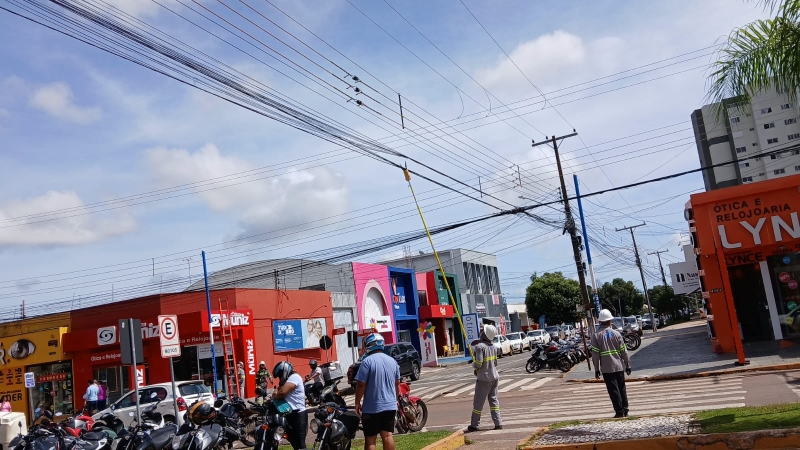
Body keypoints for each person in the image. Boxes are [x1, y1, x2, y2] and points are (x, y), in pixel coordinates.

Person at [354, 333, 399, 450]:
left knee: (370, 438)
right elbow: (397, 383)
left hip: (371, 407)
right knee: (388, 435)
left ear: (368, 345)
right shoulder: (392, 361)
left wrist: (357, 402)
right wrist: (395, 399)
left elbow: (361, 384)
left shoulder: (366, 362)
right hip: (390, 406)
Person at [591, 309, 632, 418]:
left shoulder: (596, 336)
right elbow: (624, 352)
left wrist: (596, 369)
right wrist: (628, 365)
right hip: (619, 366)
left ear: (600, 321)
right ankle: (625, 410)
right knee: (622, 388)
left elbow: (595, 355)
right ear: (610, 320)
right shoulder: (617, 334)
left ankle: (619, 412)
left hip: (606, 369)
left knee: (613, 390)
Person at [467, 324, 501, 432]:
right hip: (494, 377)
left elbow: (478, 363)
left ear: (485, 334)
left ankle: (474, 425)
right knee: (494, 401)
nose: (481, 332)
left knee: (478, 403)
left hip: (483, 379)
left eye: (482, 330)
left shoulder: (479, 347)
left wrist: (473, 365)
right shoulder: (494, 347)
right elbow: (495, 363)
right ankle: (498, 423)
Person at [272, 361, 307, 450]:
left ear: (284, 371)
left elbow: (281, 393)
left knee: (300, 445)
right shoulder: (286, 381)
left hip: (298, 414)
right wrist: (277, 390)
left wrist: (276, 394)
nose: (280, 378)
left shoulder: (294, 377)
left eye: (280, 375)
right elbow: (275, 392)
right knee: (293, 442)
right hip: (289, 415)